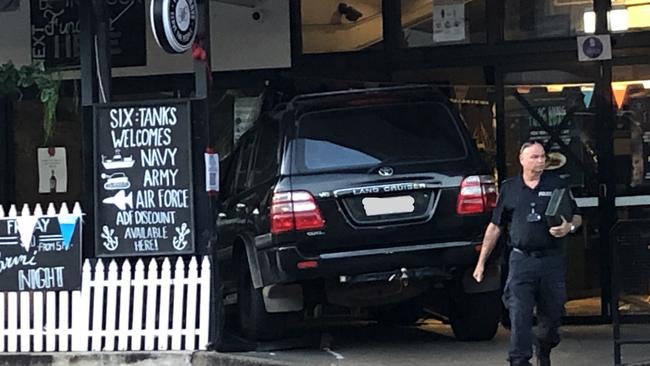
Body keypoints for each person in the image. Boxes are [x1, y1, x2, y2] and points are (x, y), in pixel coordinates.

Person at [473, 141, 582, 366]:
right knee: (519, 315)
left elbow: (577, 216)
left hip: (551, 260)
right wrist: (481, 262)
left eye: (542, 157)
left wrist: (568, 227)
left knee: (552, 317)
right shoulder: (510, 188)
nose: (540, 161)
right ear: (521, 160)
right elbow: (495, 227)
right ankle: (519, 360)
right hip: (521, 260)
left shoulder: (556, 185)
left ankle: (544, 345)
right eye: (534, 157)